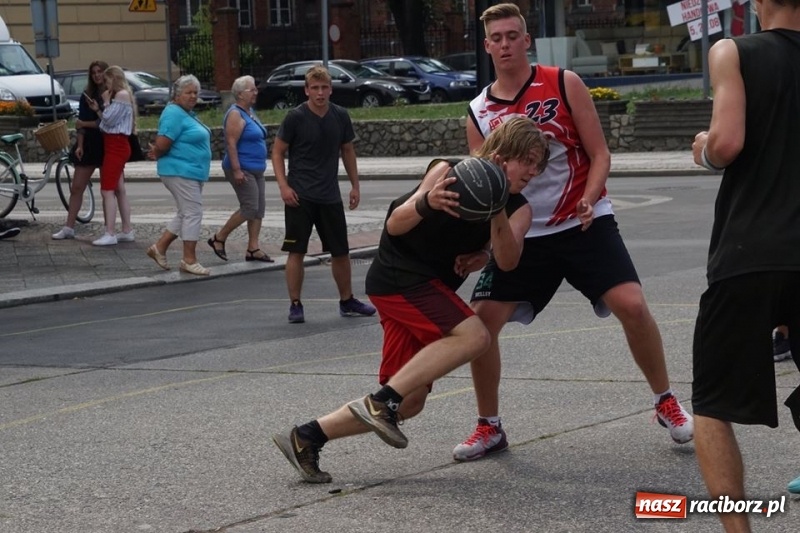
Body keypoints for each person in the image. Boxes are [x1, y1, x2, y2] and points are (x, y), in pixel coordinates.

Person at [452, 3, 693, 463]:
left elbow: (600, 153)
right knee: (481, 324)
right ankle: (489, 426)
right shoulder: (479, 111)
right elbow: (487, 191)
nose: (505, 44)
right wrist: (482, 249)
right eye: (496, 38)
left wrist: (590, 197)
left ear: (527, 40)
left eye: (512, 35)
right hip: (524, 234)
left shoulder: (563, 82)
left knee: (632, 304)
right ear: (486, 47)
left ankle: (665, 401)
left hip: (583, 220)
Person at [272, 116, 550, 483]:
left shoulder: (519, 208)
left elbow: (508, 260)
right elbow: (395, 224)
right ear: (504, 152)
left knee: (410, 400)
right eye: (527, 161)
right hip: (399, 276)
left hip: (427, 289)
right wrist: (427, 202)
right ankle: (381, 404)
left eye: (538, 166)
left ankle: (306, 437)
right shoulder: (450, 171)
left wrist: (491, 227)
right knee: (476, 336)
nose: (533, 171)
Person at [690, 0, 800, 529]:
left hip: (749, 251)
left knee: (713, 405)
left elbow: (727, 142)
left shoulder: (734, 51)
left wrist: (703, 150)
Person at [271, 65, 375, 323]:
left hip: (329, 195)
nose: (320, 93)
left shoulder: (340, 115)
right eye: (315, 88)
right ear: (307, 90)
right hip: (300, 196)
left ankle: (347, 300)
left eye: (324, 87)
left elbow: (347, 150)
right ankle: (295, 304)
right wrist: (283, 186)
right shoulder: (295, 117)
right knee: (296, 251)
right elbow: (277, 152)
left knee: (340, 251)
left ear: (330, 90)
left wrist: (355, 185)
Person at [146, 74, 212, 276]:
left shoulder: (186, 113)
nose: (193, 96)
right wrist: (157, 151)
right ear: (177, 94)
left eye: (195, 92)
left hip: (190, 171)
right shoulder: (174, 113)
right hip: (180, 171)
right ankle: (189, 260)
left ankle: (159, 248)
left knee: (185, 212)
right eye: (188, 92)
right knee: (193, 213)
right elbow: (163, 142)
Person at [207, 75, 273, 263]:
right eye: (252, 90)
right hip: (242, 168)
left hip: (256, 169)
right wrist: (237, 170)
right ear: (240, 94)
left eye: (255, 89)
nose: (256, 92)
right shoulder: (235, 114)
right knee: (249, 207)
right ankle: (219, 238)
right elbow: (231, 143)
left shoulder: (249, 111)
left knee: (259, 209)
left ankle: (253, 248)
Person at [52, 60, 108, 241]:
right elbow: (80, 124)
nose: (97, 75)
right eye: (93, 72)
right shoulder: (87, 95)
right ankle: (69, 227)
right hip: (90, 143)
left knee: (108, 190)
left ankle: (109, 229)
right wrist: (80, 145)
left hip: (107, 143)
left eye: (100, 71)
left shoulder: (111, 93)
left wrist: (84, 123)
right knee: (76, 187)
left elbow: (105, 123)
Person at [86, 65, 135, 246]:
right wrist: (98, 110)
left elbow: (108, 120)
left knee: (107, 190)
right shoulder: (123, 96)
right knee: (119, 189)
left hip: (116, 145)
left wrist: (105, 103)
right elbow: (106, 123)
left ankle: (110, 232)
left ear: (114, 79)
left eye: (107, 80)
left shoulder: (120, 95)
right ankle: (127, 230)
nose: (105, 85)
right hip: (115, 144)